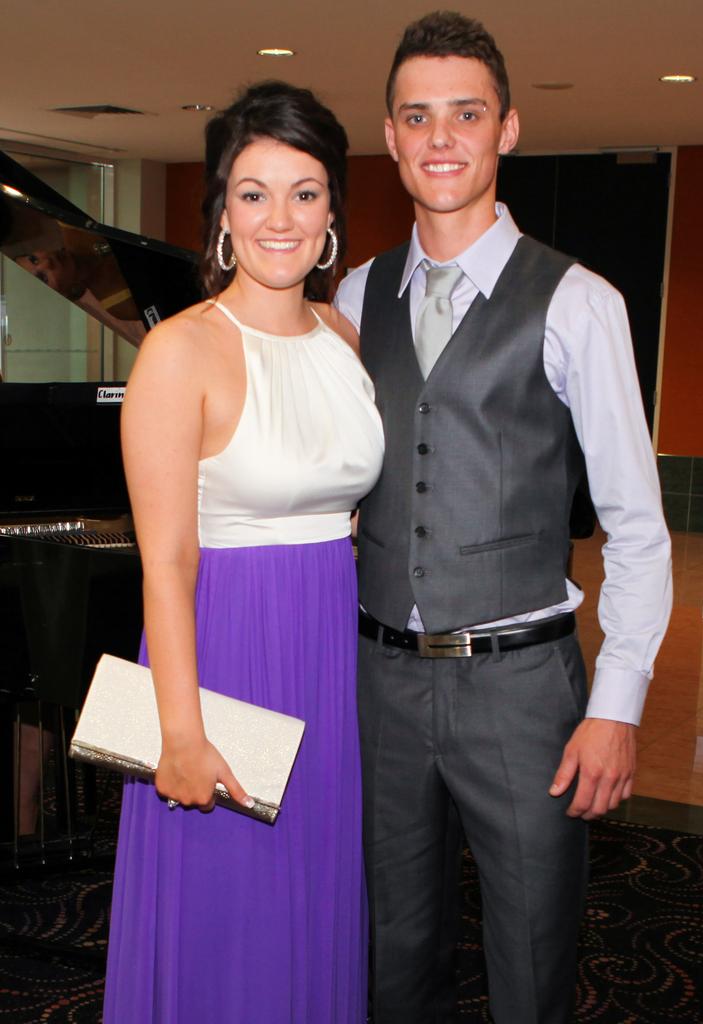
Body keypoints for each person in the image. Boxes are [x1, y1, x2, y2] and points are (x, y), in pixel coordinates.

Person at [335, 11, 672, 1024]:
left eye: (465, 115)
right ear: (391, 137)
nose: (441, 138)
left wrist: (616, 703)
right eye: (418, 117)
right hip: (382, 682)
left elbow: (638, 525)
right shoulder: (355, 295)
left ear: (507, 129)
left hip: (524, 691)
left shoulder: (579, 303)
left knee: (532, 961)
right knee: (390, 954)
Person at [103, 81, 383, 1024]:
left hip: (326, 659)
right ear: (222, 210)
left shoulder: (342, 338)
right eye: (254, 192)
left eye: (304, 192)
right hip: (221, 660)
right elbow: (167, 562)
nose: (280, 218)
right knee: (229, 925)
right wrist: (178, 733)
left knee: (311, 907)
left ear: (332, 211)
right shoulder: (179, 352)